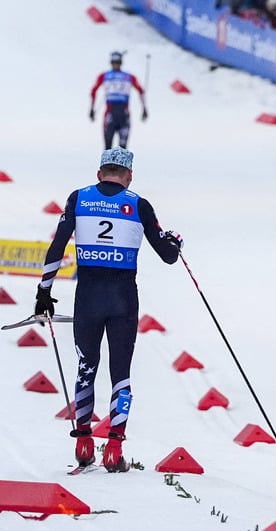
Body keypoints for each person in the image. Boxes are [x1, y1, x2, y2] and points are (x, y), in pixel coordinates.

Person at [33, 148, 182, 472]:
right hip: (123, 299)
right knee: (120, 373)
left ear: (100, 173)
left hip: (87, 296)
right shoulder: (139, 204)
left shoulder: (79, 198)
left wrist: (44, 292)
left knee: (86, 367)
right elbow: (168, 255)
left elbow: (57, 246)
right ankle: (114, 448)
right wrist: (176, 242)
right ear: (128, 176)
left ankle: (84, 443)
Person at [90, 51, 148, 150]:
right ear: (111, 63)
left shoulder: (128, 76)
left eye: (118, 62)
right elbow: (93, 91)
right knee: (108, 147)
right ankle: (107, 165)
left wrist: (144, 108)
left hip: (123, 114)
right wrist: (92, 108)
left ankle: (121, 165)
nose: (116, 65)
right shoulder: (105, 76)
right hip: (111, 113)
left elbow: (141, 91)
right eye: (114, 62)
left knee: (123, 149)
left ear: (121, 63)